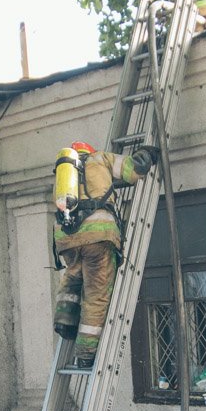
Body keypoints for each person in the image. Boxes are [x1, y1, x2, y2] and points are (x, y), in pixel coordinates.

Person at [53, 141, 157, 368]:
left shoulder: (65, 174)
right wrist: (147, 154)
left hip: (67, 239)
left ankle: (64, 320)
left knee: (73, 276)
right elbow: (133, 170)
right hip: (98, 236)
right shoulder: (100, 158)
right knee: (96, 294)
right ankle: (86, 353)